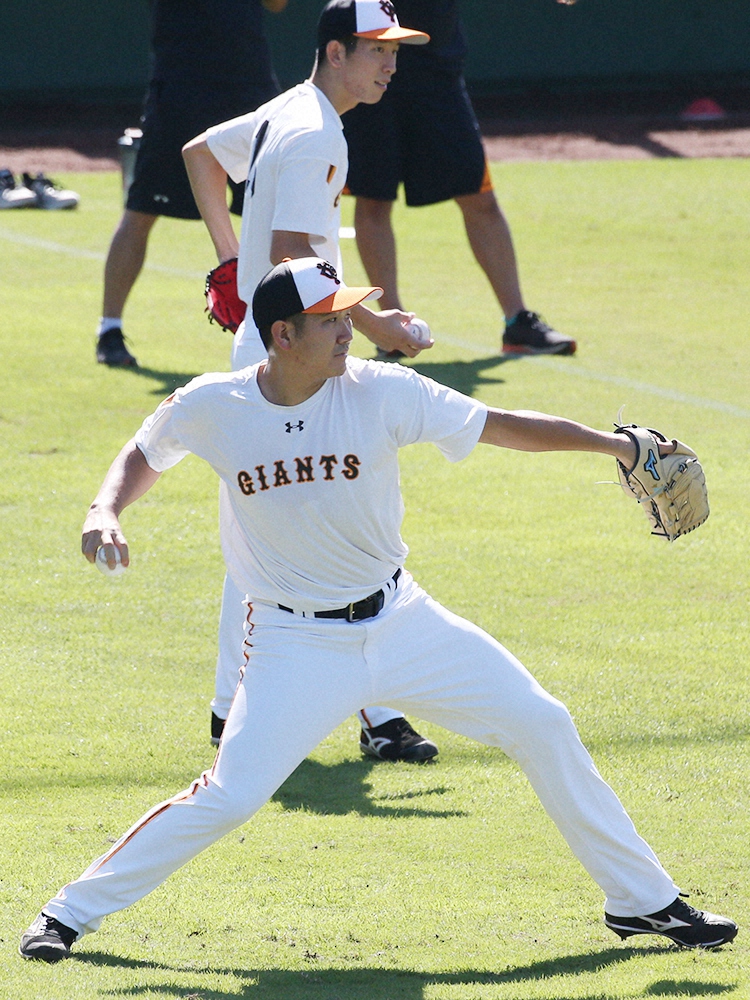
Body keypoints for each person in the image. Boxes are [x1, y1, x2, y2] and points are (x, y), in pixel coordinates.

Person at [19, 257, 737, 963]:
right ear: (281, 336)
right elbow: (147, 449)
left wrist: (611, 444)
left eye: (347, 315)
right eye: (330, 320)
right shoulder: (217, 404)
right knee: (230, 796)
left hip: (403, 623)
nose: (347, 331)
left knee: (541, 722)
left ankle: (640, 902)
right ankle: (68, 912)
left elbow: (501, 423)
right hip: (291, 643)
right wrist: (103, 509)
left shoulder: (381, 392)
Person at [182, 0, 438, 761]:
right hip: (295, 353)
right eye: (375, 50)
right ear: (334, 51)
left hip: (277, 346)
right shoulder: (313, 130)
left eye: (396, 50)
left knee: (279, 532)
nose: (390, 63)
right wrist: (381, 322)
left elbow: (199, 152)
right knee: (346, 525)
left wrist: (233, 259)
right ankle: (371, 715)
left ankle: (242, 713)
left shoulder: (288, 111)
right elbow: (297, 261)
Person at [342, 0, 577, 358]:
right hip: (369, 57)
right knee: (373, 199)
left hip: (437, 63)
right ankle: (391, 328)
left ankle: (517, 322)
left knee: (479, 197)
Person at [95, 0, 288, 368]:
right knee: (141, 210)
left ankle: (282, 329)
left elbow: (276, 4)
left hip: (249, 83)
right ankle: (109, 329)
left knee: (273, 212)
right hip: (181, 86)